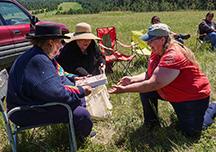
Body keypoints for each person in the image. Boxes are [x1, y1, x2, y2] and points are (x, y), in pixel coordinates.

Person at [108, 23, 211, 138]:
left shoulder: (173, 55)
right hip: (173, 92)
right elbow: (150, 75)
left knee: (192, 133)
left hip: (191, 97)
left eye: (151, 40)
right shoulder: (158, 50)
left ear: (162, 39)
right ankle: (152, 124)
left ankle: (212, 108)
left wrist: (125, 89)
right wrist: (132, 79)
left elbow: (154, 83)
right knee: (145, 91)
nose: (148, 43)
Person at [6, 23, 94, 139]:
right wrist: (81, 90)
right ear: (50, 43)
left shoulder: (40, 55)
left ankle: (76, 128)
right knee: (81, 114)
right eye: (59, 42)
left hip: (28, 103)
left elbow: (58, 76)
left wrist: (73, 79)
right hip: (24, 111)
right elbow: (56, 94)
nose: (61, 46)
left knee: (78, 99)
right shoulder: (38, 60)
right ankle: (81, 136)